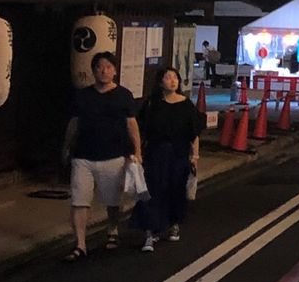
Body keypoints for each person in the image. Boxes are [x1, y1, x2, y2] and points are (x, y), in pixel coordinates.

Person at [61, 51, 142, 261]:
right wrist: (67, 147)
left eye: (107, 67)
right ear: (93, 71)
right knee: (79, 200)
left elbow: (131, 124)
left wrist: (137, 151)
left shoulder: (123, 95)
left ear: (114, 70)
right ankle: (80, 243)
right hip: (83, 156)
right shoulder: (83, 95)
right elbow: (74, 123)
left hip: (114, 155)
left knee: (112, 200)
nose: (103, 70)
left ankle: (112, 231)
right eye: (99, 67)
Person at [135, 65, 205, 252]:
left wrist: (195, 156)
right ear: (160, 82)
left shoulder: (186, 104)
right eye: (168, 77)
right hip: (155, 153)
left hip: (179, 154)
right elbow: (141, 129)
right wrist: (138, 152)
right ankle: (150, 232)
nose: (173, 81)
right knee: (152, 191)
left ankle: (174, 222)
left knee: (175, 189)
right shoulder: (152, 104)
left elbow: (194, 133)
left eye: (175, 77)